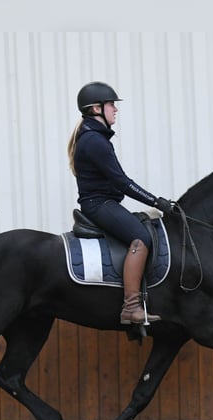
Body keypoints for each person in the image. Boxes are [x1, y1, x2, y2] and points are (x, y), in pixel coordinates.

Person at [67, 81, 173, 325]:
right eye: (111, 105)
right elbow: (123, 182)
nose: (115, 109)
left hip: (103, 202)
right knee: (141, 239)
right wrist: (156, 201)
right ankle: (131, 307)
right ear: (96, 109)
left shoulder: (94, 137)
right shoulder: (94, 141)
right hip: (99, 204)